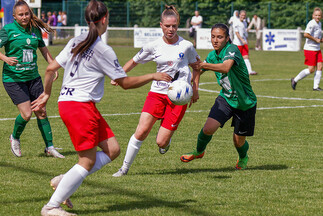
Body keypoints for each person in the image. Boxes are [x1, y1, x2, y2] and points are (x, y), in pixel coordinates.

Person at [31, 1, 171, 215]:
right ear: (104, 19)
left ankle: (65, 180)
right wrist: (152, 75)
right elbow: (124, 83)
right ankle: (51, 207)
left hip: (74, 104)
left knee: (113, 149)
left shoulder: (75, 41)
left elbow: (50, 68)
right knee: (87, 161)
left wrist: (47, 93)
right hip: (79, 107)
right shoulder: (103, 50)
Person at [112, 5, 200, 177]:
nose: (171, 29)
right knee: (141, 131)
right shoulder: (153, 46)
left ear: (178, 25)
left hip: (178, 97)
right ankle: (124, 169)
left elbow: (197, 66)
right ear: (161, 25)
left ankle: (166, 142)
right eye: (167, 26)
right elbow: (134, 60)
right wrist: (118, 75)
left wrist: (194, 88)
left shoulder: (187, 46)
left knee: (161, 142)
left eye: (174, 26)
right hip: (157, 94)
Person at [180, 23, 257, 170]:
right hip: (226, 98)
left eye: (220, 37)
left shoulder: (232, 49)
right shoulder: (212, 55)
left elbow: (225, 67)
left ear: (227, 38)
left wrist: (202, 65)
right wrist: (187, 85)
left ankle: (243, 157)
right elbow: (197, 71)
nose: (215, 40)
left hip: (244, 102)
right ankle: (199, 151)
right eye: (213, 37)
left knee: (238, 142)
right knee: (208, 128)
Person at [0, 0, 64, 158]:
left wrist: (53, 65)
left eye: (26, 13)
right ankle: (14, 137)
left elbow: (43, 50)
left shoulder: (34, 29)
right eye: (20, 15)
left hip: (33, 78)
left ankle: (50, 147)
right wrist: (5, 59)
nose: (24, 17)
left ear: (30, 14)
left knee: (41, 111)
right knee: (27, 114)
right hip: (13, 79)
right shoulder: (7, 30)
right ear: (14, 16)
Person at [291, 7, 323, 91]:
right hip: (310, 49)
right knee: (311, 69)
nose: (317, 17)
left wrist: (320, 40)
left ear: (321, 16)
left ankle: (315, 87)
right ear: (313, 16)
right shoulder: (311, 23)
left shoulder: (319, 24)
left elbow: (318, 37)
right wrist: (316, 40)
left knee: (320, 66)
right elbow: (306, 34)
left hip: (317, 48)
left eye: (319, 15)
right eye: (316, 15)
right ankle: (295, 80)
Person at [233, 10, 257, 75]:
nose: (243, 17)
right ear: (239, 15)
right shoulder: (236, 22)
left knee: (246, 57)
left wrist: (246, 40)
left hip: (244, 43)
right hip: (237, 43)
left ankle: (249, 71)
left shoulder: (245, 23)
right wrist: (242, 40)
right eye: (242, 15)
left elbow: (245, 33)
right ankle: (233, 71)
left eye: (244, 15)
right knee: (236, 58)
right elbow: (236, 33)